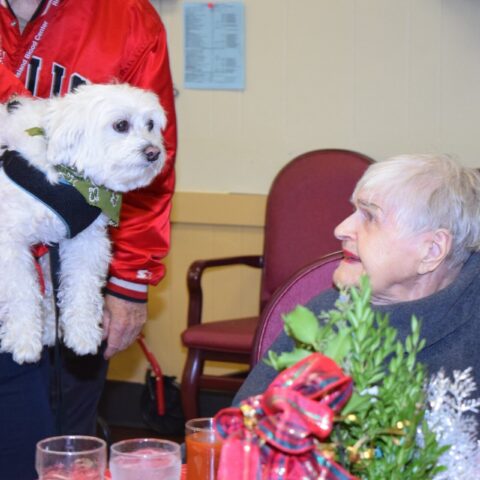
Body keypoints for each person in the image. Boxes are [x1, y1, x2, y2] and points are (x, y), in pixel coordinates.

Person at [0, 1, 177, 478]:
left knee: (61, 450)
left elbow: (149, 166)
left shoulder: (127, 18)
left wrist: (129, 283)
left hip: (73, 257)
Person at [234, 154, 480, 405]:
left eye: (370, 216)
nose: (340, 229)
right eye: (354, 211)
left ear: (432, 250)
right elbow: (240, 429)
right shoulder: (327, 314)